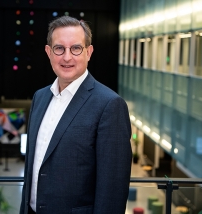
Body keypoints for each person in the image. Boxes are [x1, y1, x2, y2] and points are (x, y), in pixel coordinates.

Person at [20, 15, 132, 214]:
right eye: (59, 48)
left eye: (76, 48)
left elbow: (113, 189)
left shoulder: (110, 105)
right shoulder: (40, 97)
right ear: (49, 52)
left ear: (89, 52)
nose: (67, 57)